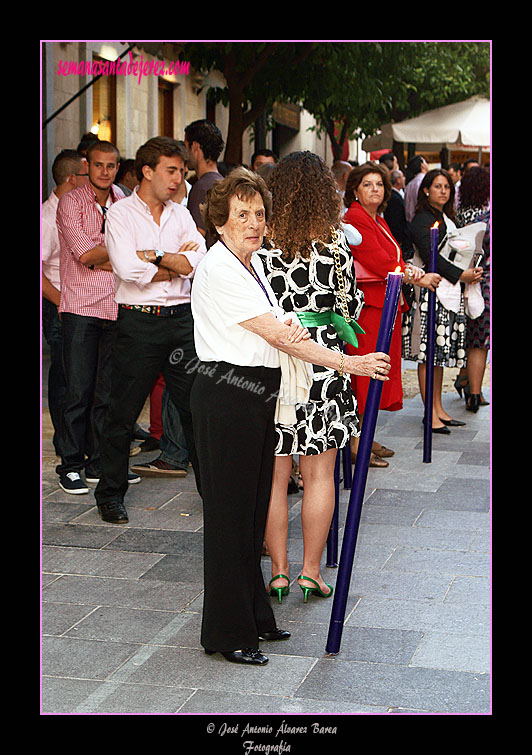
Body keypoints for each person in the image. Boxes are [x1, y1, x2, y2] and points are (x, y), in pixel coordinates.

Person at [190, 166, 391, 665]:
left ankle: (255, 616)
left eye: (259, 213)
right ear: (220, 221)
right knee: (231, 518)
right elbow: (281, 335)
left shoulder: (251, 263)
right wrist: (352, 362)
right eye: (242, 215)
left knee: (253, 508)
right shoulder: (218, 266)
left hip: (256, 393)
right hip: (227, 392)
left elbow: (289, 327)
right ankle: (227, 633)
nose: (254, 223)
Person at [257, 151, 368, 604]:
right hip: (323, 359)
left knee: (275, 473)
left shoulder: (260, 238)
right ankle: (310, 572)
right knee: (320, 473)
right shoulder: (334, 241)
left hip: (273, 353)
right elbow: (349, 309)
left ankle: (279, 571)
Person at [94, 137, 206, 524]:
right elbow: (126, 269)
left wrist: (155, 256)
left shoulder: (181, 215)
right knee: (122, 410)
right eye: (171, 171)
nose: (178, 180)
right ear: (147, 170)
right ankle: (109, 494)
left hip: (180, 320)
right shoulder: (122, 214)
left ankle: (215, 497)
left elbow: (199, 260)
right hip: (138, 321)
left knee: (196, 410)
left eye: (182, 172)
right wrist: (176, 262)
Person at [343, 162, 440, 464]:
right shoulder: (355, 219)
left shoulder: (378, 220)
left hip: (384, 304)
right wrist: (416, 275)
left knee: (376, 372)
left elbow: (390, 259)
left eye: (379, 184)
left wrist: (408, 272)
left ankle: (365, 435)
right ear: (355, 190)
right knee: (366, 373)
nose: (375, 189)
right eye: (368, 184)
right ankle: (357, 443)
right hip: (369, 308)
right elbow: (378, 262)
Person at [55, 140, 125, 494]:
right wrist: (126, 256)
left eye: (111, 166)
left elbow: (127, 254)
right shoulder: (71, 202)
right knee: (78, 390)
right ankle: (69, 464)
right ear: (88, 165)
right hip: (80, 309)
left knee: (107, 393)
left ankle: (98, 461)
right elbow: (85, 255)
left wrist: (121, 256)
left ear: (117, 167)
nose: (104, 172)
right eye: (98, 165)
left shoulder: (124, 203)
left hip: (115, 306)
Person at [403, 169, 484, 432]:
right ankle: (430, 413)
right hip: (429, 294)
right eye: (437, 186)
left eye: (447, 187)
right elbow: (431, 256)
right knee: (428, 354)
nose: (443, 191)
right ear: (426, 189)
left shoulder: (445, 217)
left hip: (447, 292)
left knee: (439, 355)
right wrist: (462, 274)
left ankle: (438, 408)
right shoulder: (422, 219)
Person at [42, 149, 89, 458]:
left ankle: (81, 441)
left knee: (81, 377)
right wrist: (62, 303)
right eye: (87, 174)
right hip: (59, 305)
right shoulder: (47, 218)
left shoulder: (78, 209)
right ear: (72, 179)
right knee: (63, 377)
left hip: (82, 305)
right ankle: (65, 444)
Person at [454, 166, 490, 412]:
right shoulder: (486, 217)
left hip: (459, 281)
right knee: (480, 341)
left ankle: (464, 379)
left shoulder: (458, 215)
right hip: (483, 282)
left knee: (470, 336)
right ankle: (474, 394)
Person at [184, 119, 225, 248]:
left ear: (195, 147)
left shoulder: (201, 188)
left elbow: (194, 241)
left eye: (186, 148)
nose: (186, 155)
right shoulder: (224, 183)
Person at [383, 168, 412, 260]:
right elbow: (395, 221)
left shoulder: (396, 195)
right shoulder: (394, 198)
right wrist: (399, 240)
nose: (404, 179)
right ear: (398, 180)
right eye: (403, 177)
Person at [404, 155, 429, 222]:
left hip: (409, 222)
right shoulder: (424, 181)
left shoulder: (409, 184)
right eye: (425, 162)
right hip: (422, 220)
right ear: (422, 165)